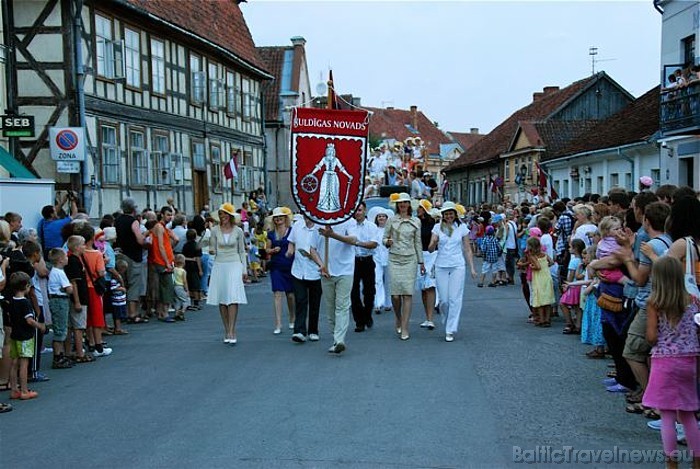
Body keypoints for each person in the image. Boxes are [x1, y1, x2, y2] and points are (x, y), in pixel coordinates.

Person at [643, 256, 700, 469]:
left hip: (664, 361)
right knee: (688, 414)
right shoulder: (693, 300)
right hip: (689, 360)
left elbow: (651, 336)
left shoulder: (655, 303)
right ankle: (697, 461)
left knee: (667, 415)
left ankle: (672, 463)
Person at [428, 201, 477, 342]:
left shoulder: (462, 228)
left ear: (455, 215)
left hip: (457, 265)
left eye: (451, 213)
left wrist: (472, 268)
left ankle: (450, 329)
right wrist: (433, 243)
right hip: (441, 265)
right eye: (446, 214)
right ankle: (445, 317)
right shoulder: (437, 227)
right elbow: (431, 248)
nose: (449, 216)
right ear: (443, 215)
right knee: (444, 300)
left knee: (455, 299)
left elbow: (467, 248)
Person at [383, 192, 424, 340]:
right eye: (400, 203)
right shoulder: (391, 221)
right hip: (394, 258)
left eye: (405, 202)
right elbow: (384, 238)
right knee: (395, 295)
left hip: (410, 259)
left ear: (409, 205)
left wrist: (421, 262)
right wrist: (387, 242)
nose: (403, 205)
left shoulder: (416, 221)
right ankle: (398, 317)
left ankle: (405, 326)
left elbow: (418, 242)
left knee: (407, 293)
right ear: (397, 205)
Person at [315, 217, 357, 354]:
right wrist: (321, 265)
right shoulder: (318, 220)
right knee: (330, 307)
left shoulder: (349, 220)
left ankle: (340, 339)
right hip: (326, 271)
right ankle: (335, 338)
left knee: (342, 305)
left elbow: (353, 240)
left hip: (345, 270)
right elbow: (312, 248)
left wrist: (332, 235)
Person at [207, 203, 247, 344]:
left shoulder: (238, 231)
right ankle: (226, 329)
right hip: (219, 264)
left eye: (224, 214)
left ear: (230, 216)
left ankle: (232, 329)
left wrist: (244, 269)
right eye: (220, 214)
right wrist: (211, 250)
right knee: (222, 298)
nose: (222, 217)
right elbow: (211, 246)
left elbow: (242, 251)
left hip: (234, 263)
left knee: (233, 296)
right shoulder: (214, 230)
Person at [7, 272, 45, 400]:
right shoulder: (25, 303)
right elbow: (29, 320)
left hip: (15, 334)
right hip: (25, 336)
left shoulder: (11, 301)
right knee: (24, 364)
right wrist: (39, 325)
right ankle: (24, 390)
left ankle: (14, 389)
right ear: (27, 286)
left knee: (14, 363)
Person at [287, 215, 322, 343]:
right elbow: (291, 242)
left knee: (315, 301)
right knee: (300, 300)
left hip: (315, 270)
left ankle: (313, 330)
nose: (308, 218)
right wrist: (289, 251)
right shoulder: (297, 226)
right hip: (298, 270)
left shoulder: (320, 229)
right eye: (305, 215)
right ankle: (299, 330)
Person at [115, 198, 149, 324]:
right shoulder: (133, 221)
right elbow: (139, 239)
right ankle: (133, 313)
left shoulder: (118, 220)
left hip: (122, 254)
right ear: (133, 208)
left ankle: (123, 312)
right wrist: (146, 240)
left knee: (124, 282)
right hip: (134, 255)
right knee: (134, 284)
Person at [349, 201, 379, 333]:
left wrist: (357, 243)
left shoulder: (371, 226)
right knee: (353, 291)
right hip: (353, 261)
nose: (357, 213)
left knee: (369, 291)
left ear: (365, 211)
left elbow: (373, 244)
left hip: (367, 260)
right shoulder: (349, 226)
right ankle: (359, 321)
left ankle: (367, 314)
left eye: (360, 210)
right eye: (355, 210)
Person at [267, 207, 295, 334]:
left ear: (285, 218)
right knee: (277, 293)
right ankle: (278, 324)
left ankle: (292, 317)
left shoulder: (292, 231)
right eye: (276, 217)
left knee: (290, 295)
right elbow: (267, 250)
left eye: (281, 217)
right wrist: (272, 250)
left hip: (290, 265)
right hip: (276, 266)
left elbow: (295, 245)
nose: (278, 219)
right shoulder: (271, 233)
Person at [306, 143, 353, 213]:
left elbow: (341, 168)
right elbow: (318, 166)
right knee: (324, 190)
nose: (330, 152)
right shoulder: (324, 159)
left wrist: (348, 175)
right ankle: (323, 206)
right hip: (325, 176)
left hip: (334, 177)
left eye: (332, 150)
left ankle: (333, 206)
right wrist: (311, 173)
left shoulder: (336, 159)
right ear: (327, 151)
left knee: (334, 191)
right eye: (329, 150)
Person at [47, 248, 73, 369]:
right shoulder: (59, 273)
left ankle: (60, 354)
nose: (67, 258)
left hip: (56, 299)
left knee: (61, 326)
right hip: (59, 300)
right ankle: (58, 356)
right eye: (66, 257)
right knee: (60, 329)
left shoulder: (54, 272)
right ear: (61, 260)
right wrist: (70, 288)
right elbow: (68, 288)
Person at [150, 207, 177, 322]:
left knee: (163, 287)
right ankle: (164, 313)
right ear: (162, 215)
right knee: (167, 287)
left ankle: (161, 312)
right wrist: (167, 262)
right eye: (168, 214)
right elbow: (160, 246)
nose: (170, 217)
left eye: (171, 215)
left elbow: (176, 239)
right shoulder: (159, 227)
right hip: (162, 261)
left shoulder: (163, 227)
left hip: (164, 260)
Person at [522, 236, 555, 327]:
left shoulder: (532, 256)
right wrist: (546, 266)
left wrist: (532, 267)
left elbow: (538, 267)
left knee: (540, 300)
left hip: (539, 279)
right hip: (547, 277)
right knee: (547, 299)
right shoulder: (544, 254)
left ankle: (542, 319)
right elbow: (551, 262)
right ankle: (547, 319)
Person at [416, 200, 437, 330]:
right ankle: (427, 317)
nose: (416, 210)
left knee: (430, 286)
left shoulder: (433, 223)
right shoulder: (415, 223)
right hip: (419, 256)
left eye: (419, 208)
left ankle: (430, 319)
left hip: (432, 255)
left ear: (424, 209)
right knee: (423, 288)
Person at [368, 207, 392, 315]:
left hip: (388, 257)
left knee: (388, 281)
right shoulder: (373, 229)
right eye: (379, 216)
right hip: (376, 257)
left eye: (383, 216)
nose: (381, 218)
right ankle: (378, 303)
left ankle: (388, 303)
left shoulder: (391, 230)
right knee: (377, 280)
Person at [560, 239, 585, 334]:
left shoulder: (573, 261)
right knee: (577, 306)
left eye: (571, 247)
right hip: (580, 286)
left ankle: (569, 323)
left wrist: (566, 285)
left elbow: (571, 275)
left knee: (563, 303)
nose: (569, 249)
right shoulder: (581, 260)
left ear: (575, 249)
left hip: (573, 286)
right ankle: (578, 325)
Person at [181, 229, 203, 310]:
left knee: (189, 283)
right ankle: (196, 302)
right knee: (196, 284)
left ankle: (189, 302)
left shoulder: (185, 245)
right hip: (194, 267)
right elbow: (198, 258)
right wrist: (200, 269)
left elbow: (183, 256)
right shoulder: (197, 246)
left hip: (187, 266)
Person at [172, 254, 190, 321]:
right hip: (180, 286)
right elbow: (184, 281)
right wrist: (187, 290)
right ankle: (182, 311)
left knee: (177, 301)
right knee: (186, 300)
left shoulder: (174, 269)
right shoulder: (183, 271)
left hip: (174, 286)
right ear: (184, 262)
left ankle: (176, 314)